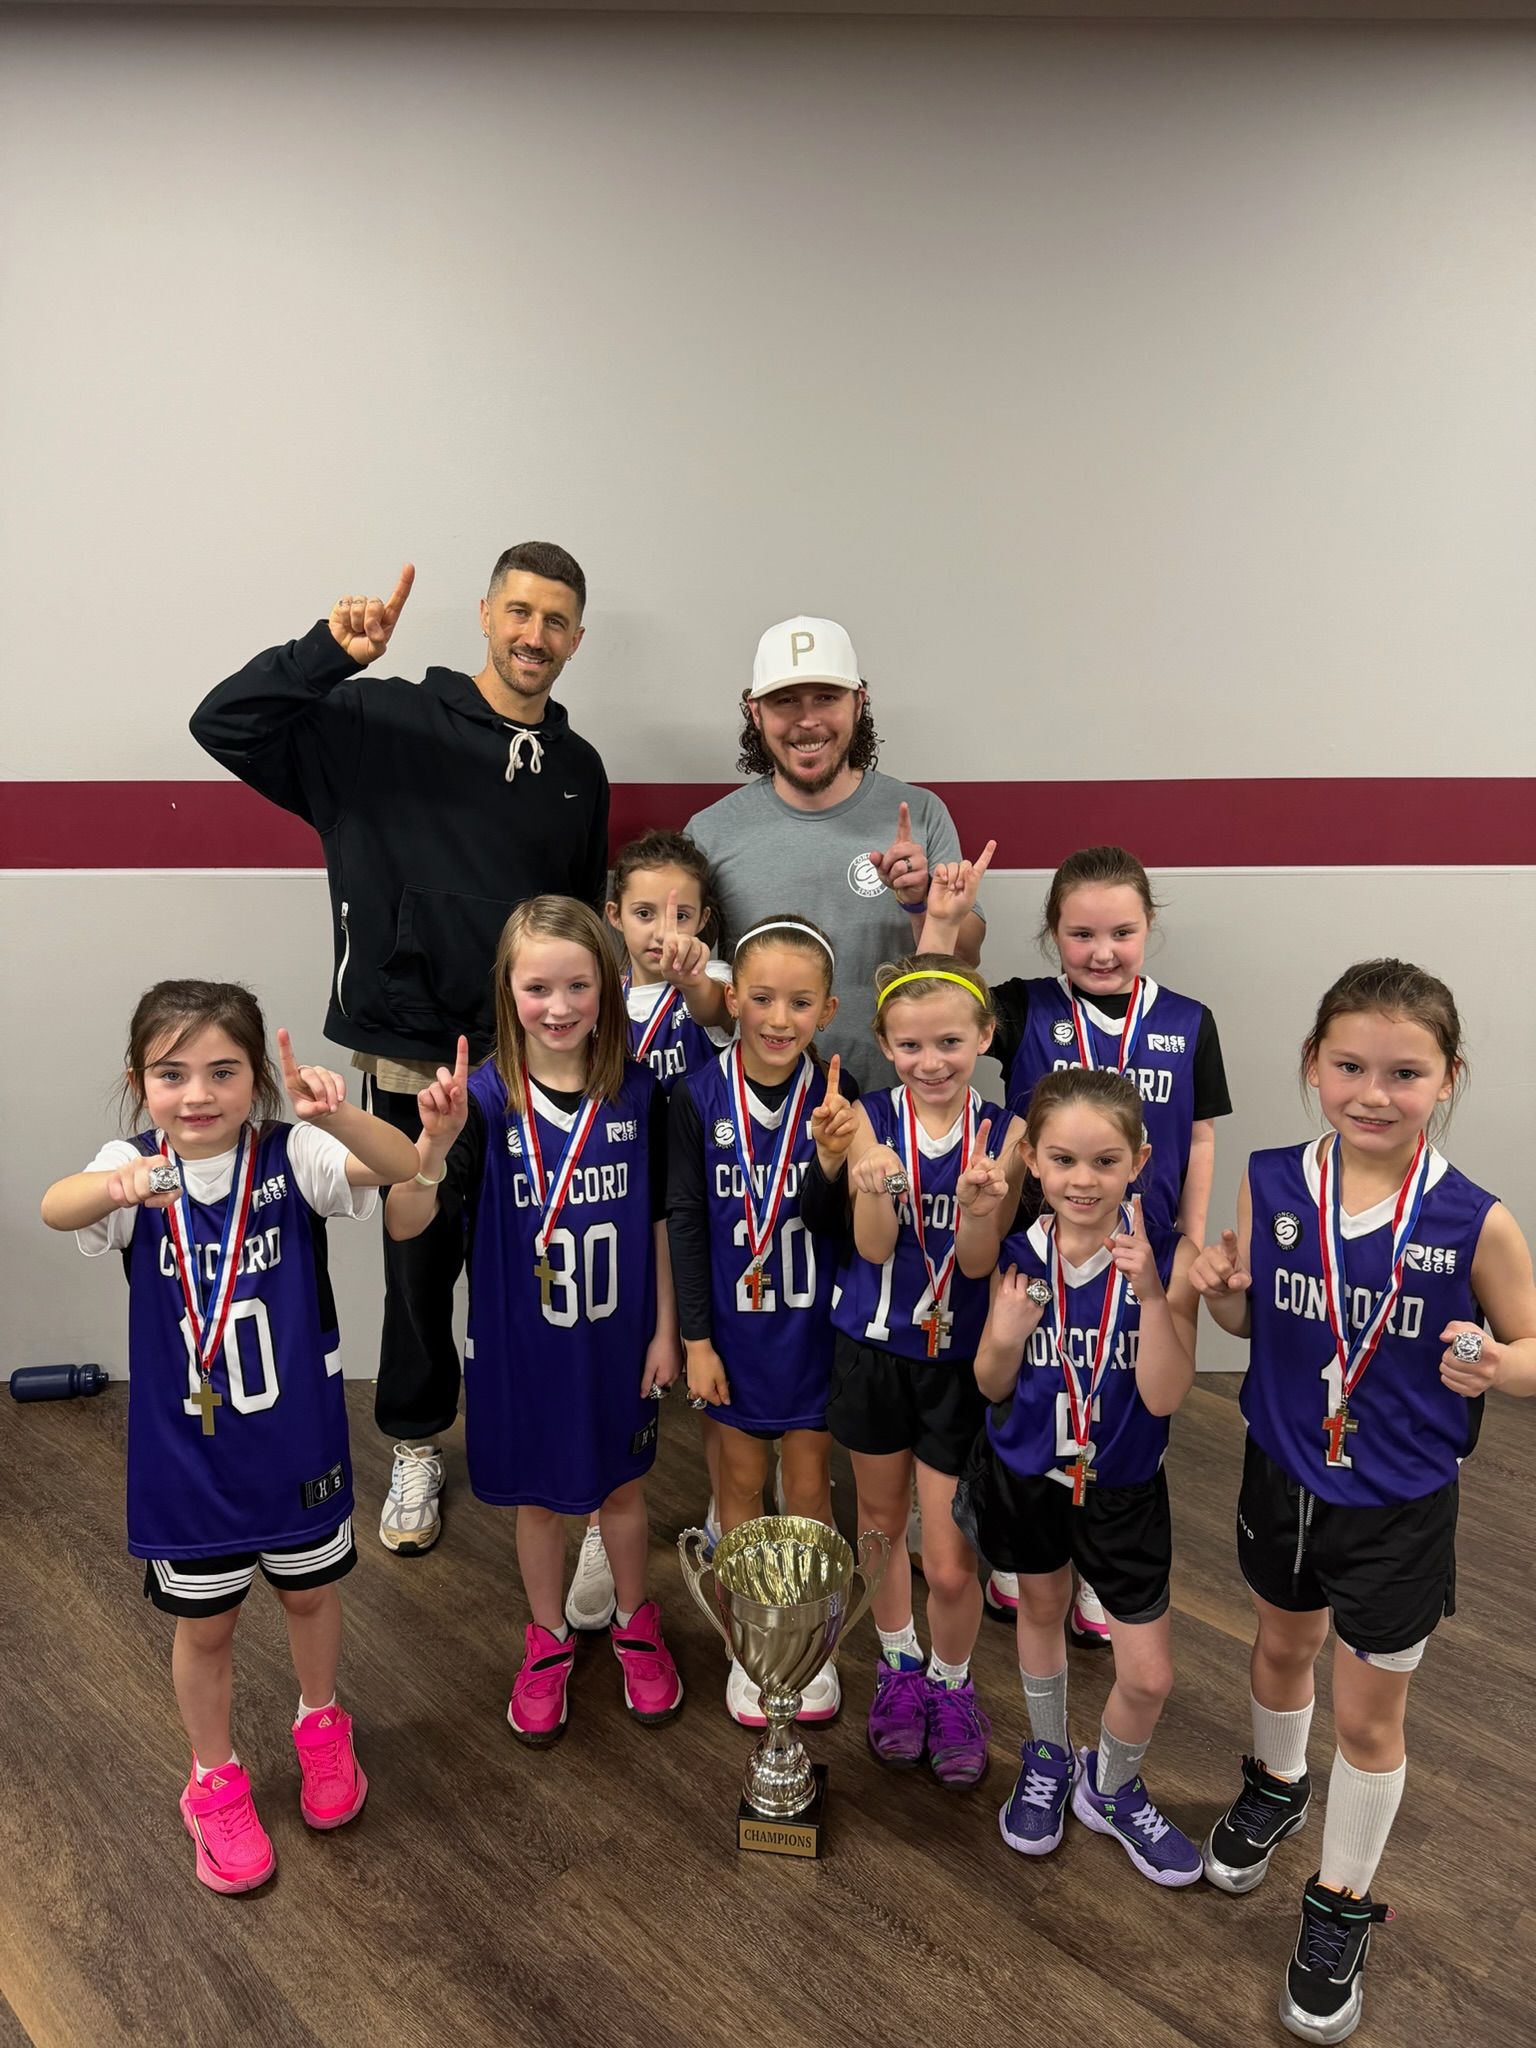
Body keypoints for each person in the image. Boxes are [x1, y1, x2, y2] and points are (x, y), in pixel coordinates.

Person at [190, 545, 608, 1559]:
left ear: (576, 639)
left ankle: (572, 1461)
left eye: (555, 621)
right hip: (413, 1053)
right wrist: (327, 652)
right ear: (483, 614)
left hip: (532, 1062)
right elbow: (226, 722)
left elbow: (583, 922)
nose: (533, 635)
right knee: (418, 1252)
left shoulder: (579, 769)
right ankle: (418, 1440)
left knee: (537, 1258)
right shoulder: (379, 721)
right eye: (519, 611)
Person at [1192, 959, 1536, 2043]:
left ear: (1448, 1078)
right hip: (1283, 1473)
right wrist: (1229, 1292)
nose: (1372, 1090)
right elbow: (1254, 1328)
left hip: (1400, 1499)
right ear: (1313, 1064)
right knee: (1281, 1645)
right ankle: (1277, 1780)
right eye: (1349, 1064)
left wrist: (1498, 1365)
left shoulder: (1476, 1219)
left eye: (1404, 1070)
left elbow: (1534, 1347)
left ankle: (1341, 1901)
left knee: (1368, 1714)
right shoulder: (1273, 1178)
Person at [41, 981, 419, 1894]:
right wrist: (114, 1185)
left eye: (223, 1071)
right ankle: (212, 1776)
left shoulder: (294, 1156)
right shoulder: (135, 1167)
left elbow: (402, 1163)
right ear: (140, 1083)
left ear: (259, 1081)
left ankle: (323, 1725)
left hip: (296, 1446)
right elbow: (58, 1206)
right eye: (172, 1075)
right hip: (190, 1458)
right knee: (205, 1624)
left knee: (309, 1598)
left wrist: (342, 1115)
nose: (197, 1094)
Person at [386, 897, 684, 1747]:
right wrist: (431, 1152)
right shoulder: (480, 1101)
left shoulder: (640, 1092)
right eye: (537, 987)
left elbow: (661, 1220)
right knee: (540, 1507)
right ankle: (549, 1636)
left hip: (618, 1338)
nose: (558, 1006)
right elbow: (409, 1224)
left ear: (609, 987)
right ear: (507, 992)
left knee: (624, 1494)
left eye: (578, 985)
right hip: (521, 1349)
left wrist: (665, 1329)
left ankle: (635, 1620)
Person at [924, 841, 1230, 1646]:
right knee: (1033, 1379)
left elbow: (1197, 1139)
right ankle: (1024, 1548)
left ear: (1149, 927)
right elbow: (931, 1005)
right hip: (1042, 1246)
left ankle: (1099, 1561)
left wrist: (1192, 1239)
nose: (1102, 952)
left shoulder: (1188, 1022)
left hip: (1143, 1251)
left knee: (1130, 1402)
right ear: (1053, 933)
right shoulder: (1025, 1008)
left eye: (1122, 933)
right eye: (1081, 934)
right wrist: (943, 922)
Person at [956, 1068, 1204, 1885]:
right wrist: (1001, 1334)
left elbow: (1166, 1393)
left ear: (1139, 1159)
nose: (1082, 1180)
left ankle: (1113, 1785)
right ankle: (1051, 1754)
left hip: (1123, 1485)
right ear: (1033, 1158)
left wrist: (1152, 1293)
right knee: (1041, 1605)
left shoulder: (1163, 1257)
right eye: (1062, 1160)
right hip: (1031, 1475)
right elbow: (992, 1384)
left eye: (1104, 1161)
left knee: (1148, 1673)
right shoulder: (1022, 1255)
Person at [804, 955, 1006, 1790]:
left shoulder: (1010, 1135)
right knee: (881, 1526)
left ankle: (953, 1685)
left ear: (983, 1038)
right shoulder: (864, 1122)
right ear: (886, 1044)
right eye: (913, 1044)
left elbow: (980, 1261)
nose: (932, 1061)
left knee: (952, 1558)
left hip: (956, 1364)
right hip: (874, 1351)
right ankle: (897, 1665)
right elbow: (874, 1248)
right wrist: (875, 1186)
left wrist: (982, 1207)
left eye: (951, 1042)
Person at [667, 916, 860, 1724]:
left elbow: (841, 1231)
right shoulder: (695, 1093)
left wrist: (826, 1164)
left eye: (801, 1002)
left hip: (811, 1331)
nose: (780, 1019)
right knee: (739, 1490)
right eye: (763, 998)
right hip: (735, 1337)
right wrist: (696, 1339)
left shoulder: (843, 1102)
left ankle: (805, 1642)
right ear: (731, 998)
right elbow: (684, 1216)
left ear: (830, 1009)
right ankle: (750, 1644)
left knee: (811, 1493)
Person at [686, 615, 983, 1094]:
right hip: (765, 1121)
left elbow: (965, 960)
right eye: (786, 701)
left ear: (858, 702)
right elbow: (706, 994)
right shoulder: (711, 833)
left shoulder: (921, 813)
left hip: (900, 1104)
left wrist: (921, 903)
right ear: (755, 711)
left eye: (826, 698)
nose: (808, 721)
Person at [563, 829, 733, 1632]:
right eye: (643, 911)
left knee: (712, 1366)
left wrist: (698, 978)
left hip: (704, 1206)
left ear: (706, 923)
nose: (664, 929)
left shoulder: (714, 983)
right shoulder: (587, 999)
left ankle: (729, 1512)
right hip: (615, 1208)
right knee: (612, 1373)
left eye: (683, 913)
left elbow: (713, 1009)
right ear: (611, 917)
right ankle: (600, 1529)